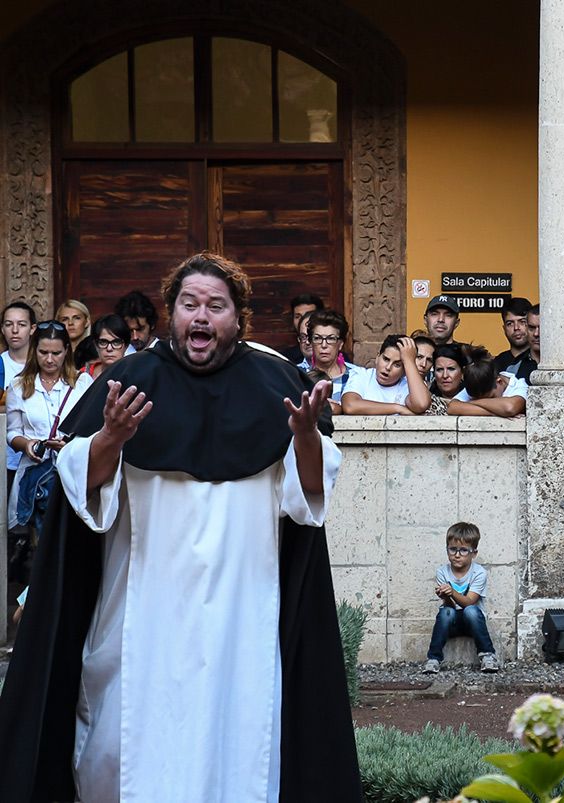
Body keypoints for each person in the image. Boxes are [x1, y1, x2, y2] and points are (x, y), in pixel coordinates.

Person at [0, 253, 362, 802]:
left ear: (238, 318)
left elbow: (307, 498)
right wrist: (110, 439)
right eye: (189, 304)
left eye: (215, 306)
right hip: (142, 613)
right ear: (171, 313)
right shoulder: (127, 380)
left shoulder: (278, 384)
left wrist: (307, 436)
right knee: (123, 748)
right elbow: (84, 491)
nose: (201, 316)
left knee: (243, 737)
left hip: (243, 614)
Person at [6, 321, 93, 536]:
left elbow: (92, 428)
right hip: (34, 475)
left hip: (72, 473)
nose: (50, 359)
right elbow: (12, 432)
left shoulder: (82, 383)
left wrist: (70, 444)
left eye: (56, 353)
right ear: (34, 350)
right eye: (43, 352)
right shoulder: (19, 386)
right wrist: (27, 445)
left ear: (66, 352)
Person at [422, 522, 498, 674]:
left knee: (471, 611)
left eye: (463, 550)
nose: (457, 555)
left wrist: (452, 592)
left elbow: (469, 602)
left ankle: (487, 655)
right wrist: (445, 596)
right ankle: (434, 658)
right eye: (452, 549)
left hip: (473, 623)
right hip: (452, 623)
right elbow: (450, 606)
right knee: (445, 613)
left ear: (473, 553)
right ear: (447, 549)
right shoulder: (442, 572)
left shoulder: (479, 573)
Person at [341, 334, 430, 415]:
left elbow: (421, 404)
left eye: (397, 365)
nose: (388, 367)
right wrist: (397, 408)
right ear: (377, 357)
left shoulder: (408, 385)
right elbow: (350, 406)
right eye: (386, 359)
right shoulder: (362, 375)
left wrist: (409, 361)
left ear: (404, 371)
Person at [1, 301, 37, 491]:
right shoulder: (1, 364)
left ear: (32, 328)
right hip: (4, 456)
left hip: (38, 455)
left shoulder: (45, 364)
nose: (15, 330)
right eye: (9, 324)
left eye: (21, 324)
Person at [299, 309, 360, 414]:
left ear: (340, 344)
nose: (324, 345)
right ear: (311, 342)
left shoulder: (356, 376)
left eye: (331, 338)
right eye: (317, 338)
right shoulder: (297, 374)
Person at [448, 347, 527, 417]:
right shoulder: (477, 383)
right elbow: (452, 408)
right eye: (475, 399)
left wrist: (471, 402)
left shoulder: (519, 386)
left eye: (491, 397)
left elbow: (509, 408)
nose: (487, 402)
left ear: (499, 381)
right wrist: (498, 413)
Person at [87, 314, 131, 379]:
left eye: (116, 342)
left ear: (126, 346)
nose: (109, 348)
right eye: (103, 342)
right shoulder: (83, 375)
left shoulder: (135, 374)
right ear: (96, 345)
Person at [283, 292, 324, 362]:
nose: (303, 320)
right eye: (298, 317)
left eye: (309, 315)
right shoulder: (285, 358)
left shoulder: (337, 357)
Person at [493, 297, 531, 373]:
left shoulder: (541, 361)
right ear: (504, 329)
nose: (516, 328)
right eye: (510, 323)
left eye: (522, 322)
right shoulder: (496, 365)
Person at [427, 343, 467, 415]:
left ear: (462, 372)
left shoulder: (472, 397)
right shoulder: (425, 400)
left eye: (451, 369)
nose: (445, 375)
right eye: (439, 369)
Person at [508, 303, 539, 383]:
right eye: (531, 328)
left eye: (542, 328)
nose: (536, 334)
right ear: (526, 327)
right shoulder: (514, 367)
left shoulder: (563, 363)